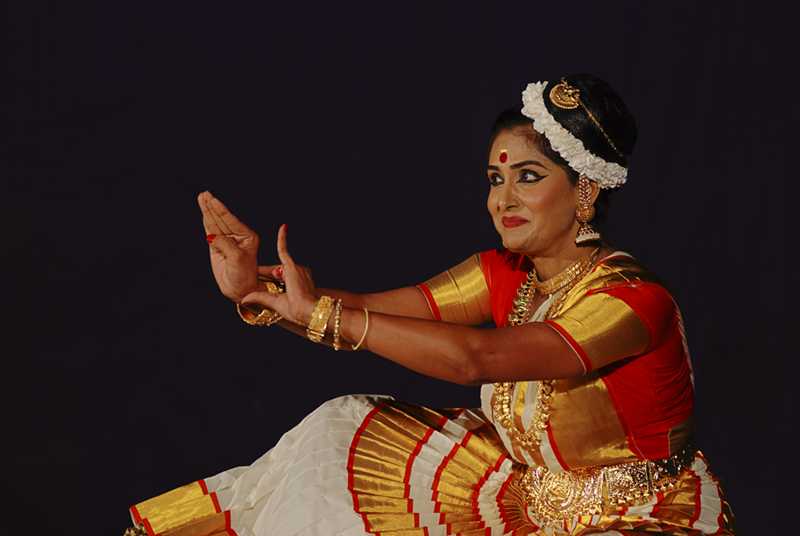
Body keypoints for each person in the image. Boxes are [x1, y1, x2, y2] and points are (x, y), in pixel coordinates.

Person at [125, 74, 735, 535]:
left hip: (641, 516)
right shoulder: (506, 274)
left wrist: (318, 314)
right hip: (527, 498)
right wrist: (259, 292)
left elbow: (475, 358)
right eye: (496, 179)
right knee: (337, 433)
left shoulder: (632, 302)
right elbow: (372, 309)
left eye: (528, 176)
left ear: (586, 190)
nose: (503, 199)